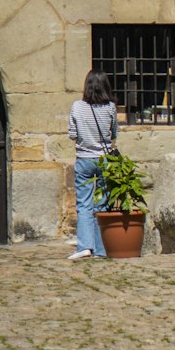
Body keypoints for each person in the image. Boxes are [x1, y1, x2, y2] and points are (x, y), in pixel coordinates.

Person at [67, 69, 118, 261]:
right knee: (102, 203)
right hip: (104, 159)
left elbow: (72, 134)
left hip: (84, 158)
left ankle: (85, 246)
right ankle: (100, 249)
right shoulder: (111, 107)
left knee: (84, 204)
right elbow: (113, 134)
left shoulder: (77, 106)